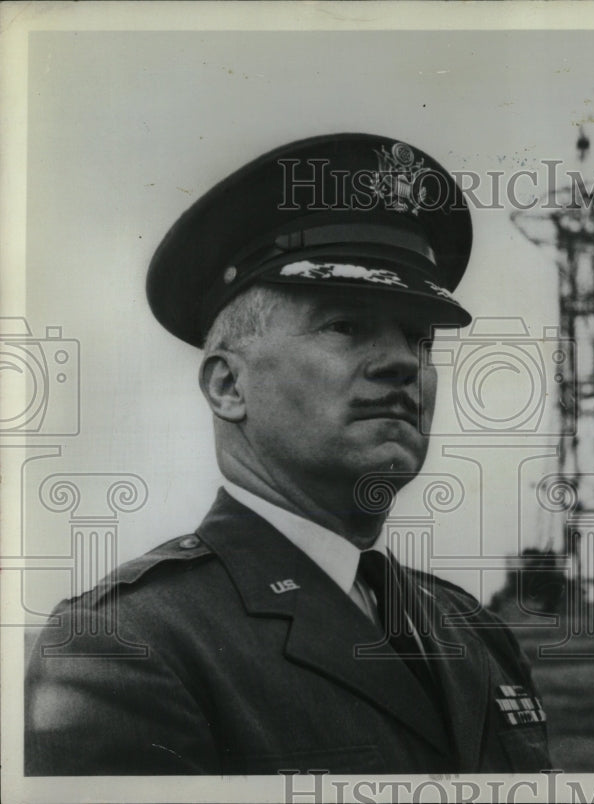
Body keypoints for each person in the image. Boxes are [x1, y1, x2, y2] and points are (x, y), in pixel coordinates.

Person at [24, 133, 551, 775]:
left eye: (420, 338)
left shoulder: (472, 629)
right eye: (344, 326)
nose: (400, 363)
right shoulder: (127, 643)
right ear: (228, 384)